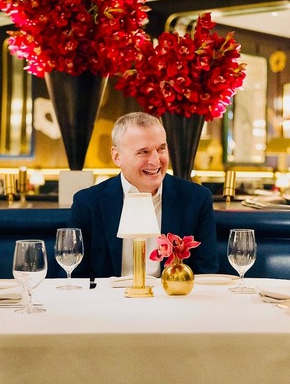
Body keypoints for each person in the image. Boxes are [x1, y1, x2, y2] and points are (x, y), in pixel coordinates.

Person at [69, 112, 218, 279]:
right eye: (144, 152)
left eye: (161, 148)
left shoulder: (196, 199)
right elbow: (74, 277)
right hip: (110, 302)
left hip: (172, 302)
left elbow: (206, 275)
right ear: (117, 156)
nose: (155, 161)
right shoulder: (87, 203)